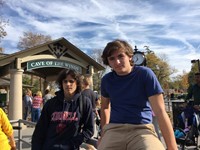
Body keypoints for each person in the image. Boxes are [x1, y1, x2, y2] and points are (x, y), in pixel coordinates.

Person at [98, 39, 177, 150]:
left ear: (130, 56)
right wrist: (103, 133)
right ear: (108, 62)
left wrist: (172, 147)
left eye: (121, 56)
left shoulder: (145, 74)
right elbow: (105, 107)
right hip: (114, 129)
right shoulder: (106, 80)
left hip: (142, 129)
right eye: (112, 59)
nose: (117, 62)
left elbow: (160, 111)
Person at [32, 69, 94, 150]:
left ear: (77, 83)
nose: (68, 84)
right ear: (61, 83)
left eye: (71, 81)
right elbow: (40, 131)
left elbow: (89, 129)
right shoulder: (51, 104)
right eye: (65, 81)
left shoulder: (84, 102)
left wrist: (76, 142)